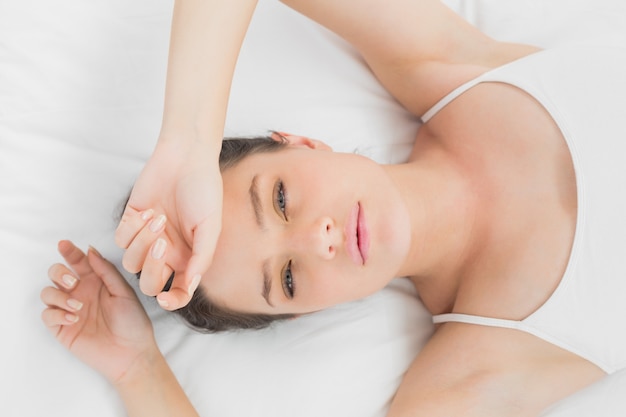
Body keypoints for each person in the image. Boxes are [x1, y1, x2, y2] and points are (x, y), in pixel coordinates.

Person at [40, 1, 626, 416]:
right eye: (288, 278)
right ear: (304, 313)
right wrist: (139, 370)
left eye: (280, 199)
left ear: (301, 142)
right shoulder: (476, 375)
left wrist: (187, 143)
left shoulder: (450, 67)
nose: (317, 241)